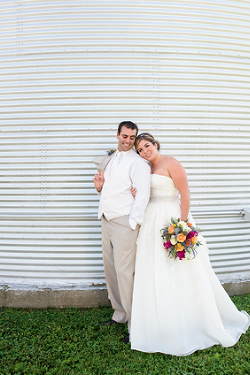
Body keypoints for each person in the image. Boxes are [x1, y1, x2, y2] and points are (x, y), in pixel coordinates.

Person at [130, 132, 250, 355]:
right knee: (154, 268)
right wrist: (137, 193)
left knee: (181, 268)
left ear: (155, 144)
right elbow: (146, 194)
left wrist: (182, 226)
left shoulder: (171, 162)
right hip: (151, 220)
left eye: (147, 146)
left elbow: (184, 193)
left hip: (171, 218)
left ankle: (194, 320)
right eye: (140, 150)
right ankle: (160, 322)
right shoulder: (145, 169)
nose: (144, 151)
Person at [93, 121, 151, 342]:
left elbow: (143, 195)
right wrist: (99, 189)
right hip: (106, 220)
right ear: (117, 135)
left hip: (124, 224)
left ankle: (135, 326)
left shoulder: (138, 163)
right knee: (112, 272)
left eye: (131, 137)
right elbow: (111, 190)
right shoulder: (110, 160)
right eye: (124, 136)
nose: (128, 141)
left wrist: (132, 223)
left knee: (126, 275)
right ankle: (119, 315)